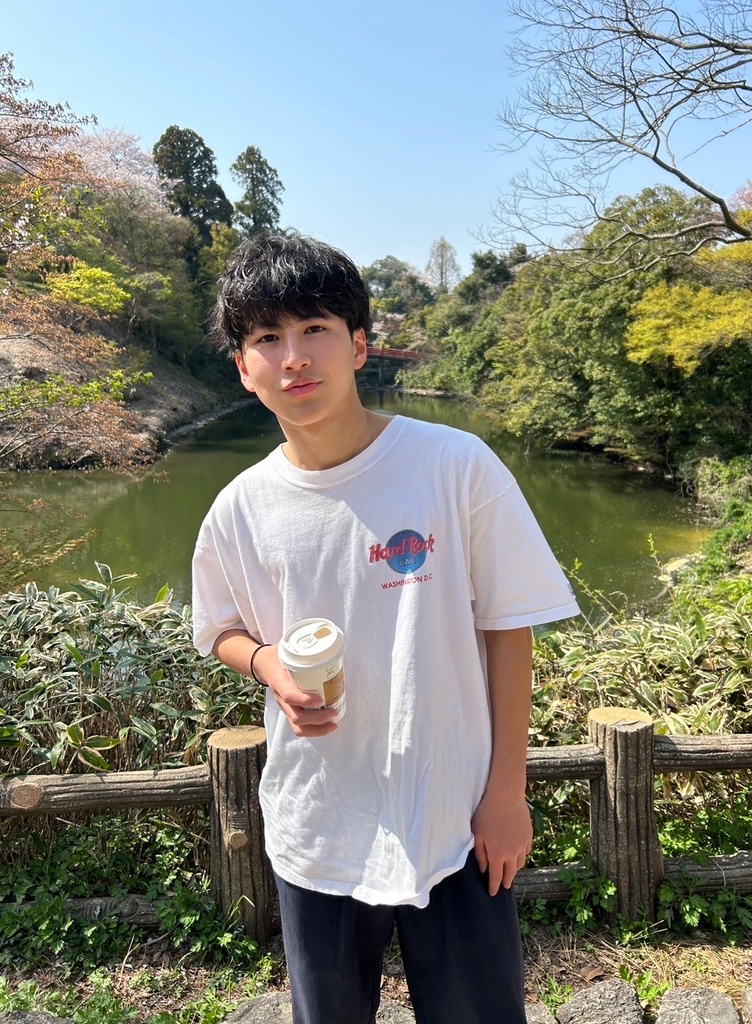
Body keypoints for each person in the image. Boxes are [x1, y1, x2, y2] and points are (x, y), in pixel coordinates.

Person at [192, 232, 580, 1024]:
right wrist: (267, 665)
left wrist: (506, 794)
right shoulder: (240, 507)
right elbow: (220, 627)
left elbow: (508, 628)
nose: (294, 357)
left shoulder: (453, 465)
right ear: (243, 367)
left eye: (316, 329)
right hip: (318, 820)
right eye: (267, 338)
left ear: (360, 345)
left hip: (454, 812)